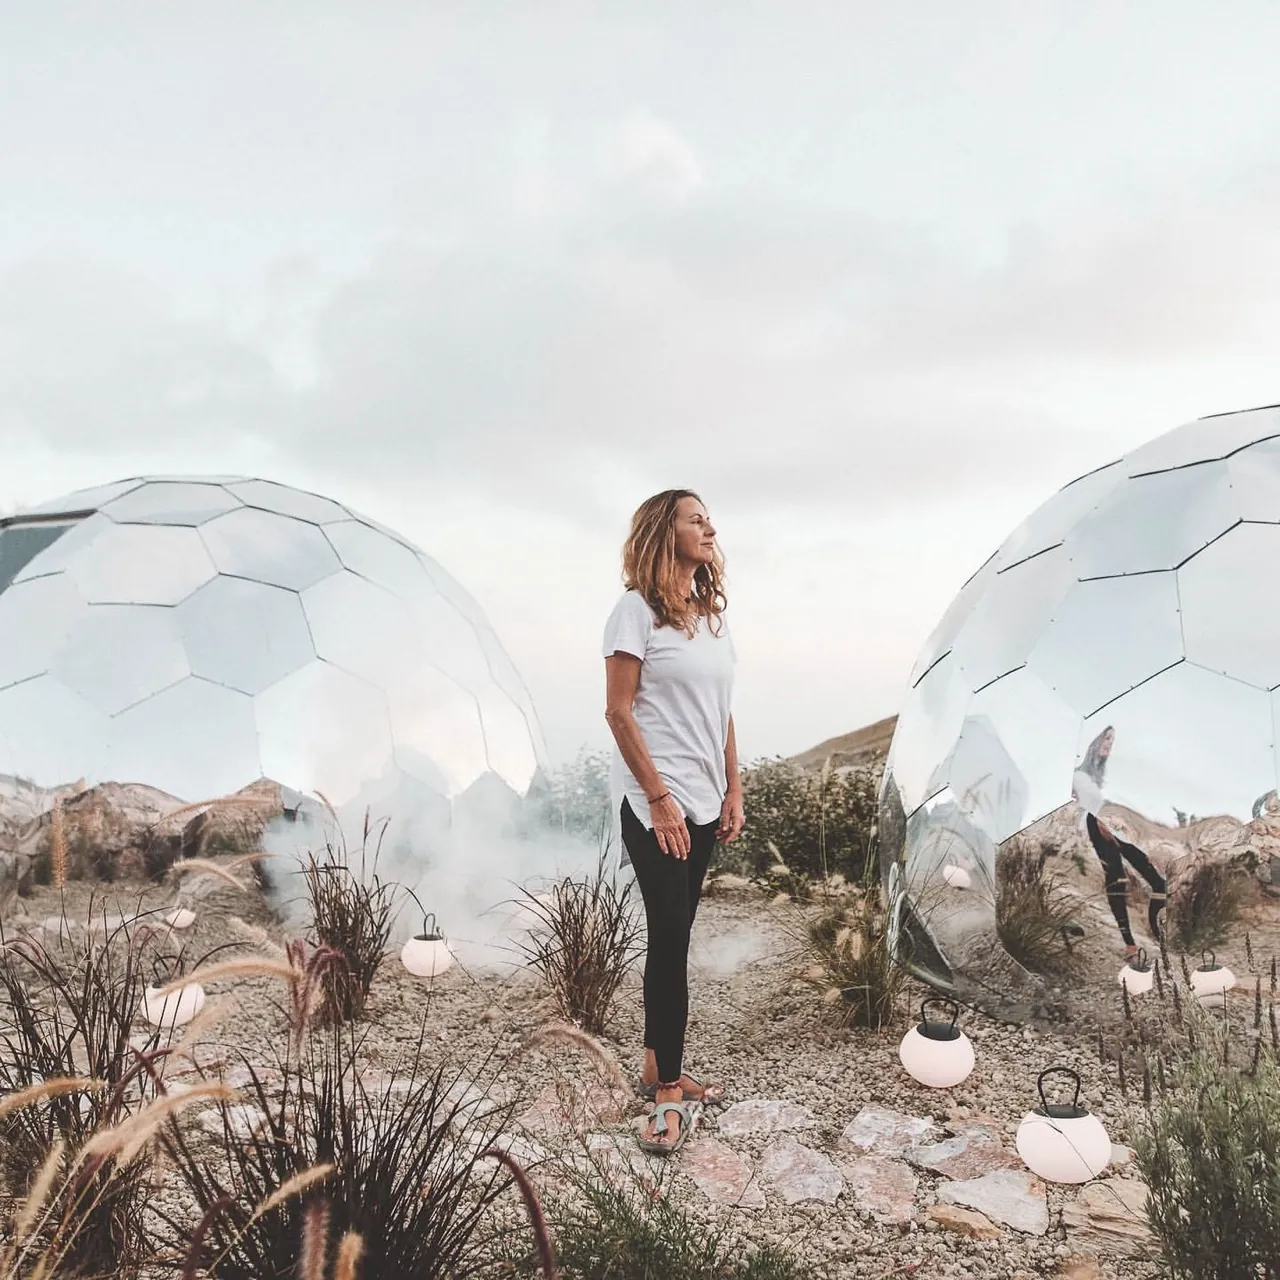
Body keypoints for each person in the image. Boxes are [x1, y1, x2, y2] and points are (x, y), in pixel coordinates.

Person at [602, 489, 744, 1155]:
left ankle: (659, 1069)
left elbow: (723, 713)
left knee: (677, 939)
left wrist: (734, 788)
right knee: (669, 941)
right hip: (657, 807)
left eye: (708, 518)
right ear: (666, 531)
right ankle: (665, 1096)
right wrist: (658, 798)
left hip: (708, 802)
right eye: (696, 518)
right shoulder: (635, 613)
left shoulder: (708, 620)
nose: (709, 526)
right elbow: (619, 712)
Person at [1072, 726, 1167, 959]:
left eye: (1112, 740)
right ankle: (1129, 944)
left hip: (1118, 825)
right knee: (1116, 881)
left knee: (1158, 882)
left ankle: (1159, 933)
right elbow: (1086, 803)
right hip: (1098, 825)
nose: (1109, 744)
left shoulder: (1103, 774)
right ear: (1092, 739)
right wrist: (1100, 821)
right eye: (1106, 738)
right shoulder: (1079, 774)